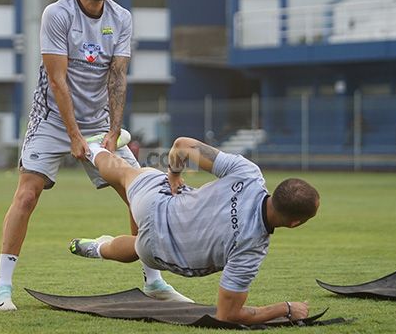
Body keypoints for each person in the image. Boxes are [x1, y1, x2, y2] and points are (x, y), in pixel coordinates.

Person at [0, 0, 191, 311]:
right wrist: (73, 135)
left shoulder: (121, 17)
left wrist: (112, 132)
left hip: (100, 125)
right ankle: (2, 289)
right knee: (27, 195)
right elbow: (57, 80)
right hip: (51, 121)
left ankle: (154, 281)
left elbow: (117, 78)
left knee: (140, 192)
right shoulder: (57, 14)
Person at [69, 136, 320, 325]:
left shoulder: (249, 174)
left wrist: (174, 173)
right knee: (139, 246)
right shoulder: (252, 249)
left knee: (127, 173)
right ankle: (98, 248)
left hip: (156, 204)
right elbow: (228, 315)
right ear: (294, 223)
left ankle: (92, 148)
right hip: (160, 254)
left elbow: (182, 146)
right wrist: (285, 309)